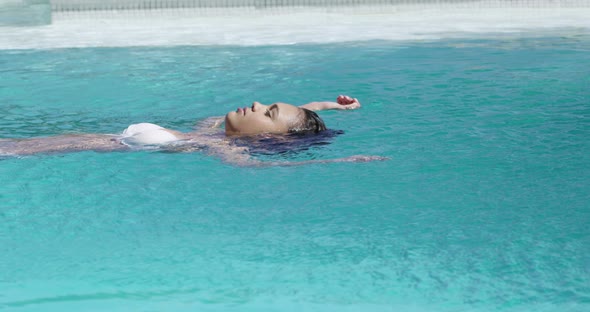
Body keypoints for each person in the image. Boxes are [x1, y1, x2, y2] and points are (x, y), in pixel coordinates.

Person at [0, 95, 386, 166]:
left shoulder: (222, 148)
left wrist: (339, 160)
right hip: (72, 142)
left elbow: (263, 167)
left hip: (37, 150)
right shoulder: (211, 132)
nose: (254, 104)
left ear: (269, 136)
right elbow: (295, 115)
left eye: (265, 112)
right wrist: (332, 106)